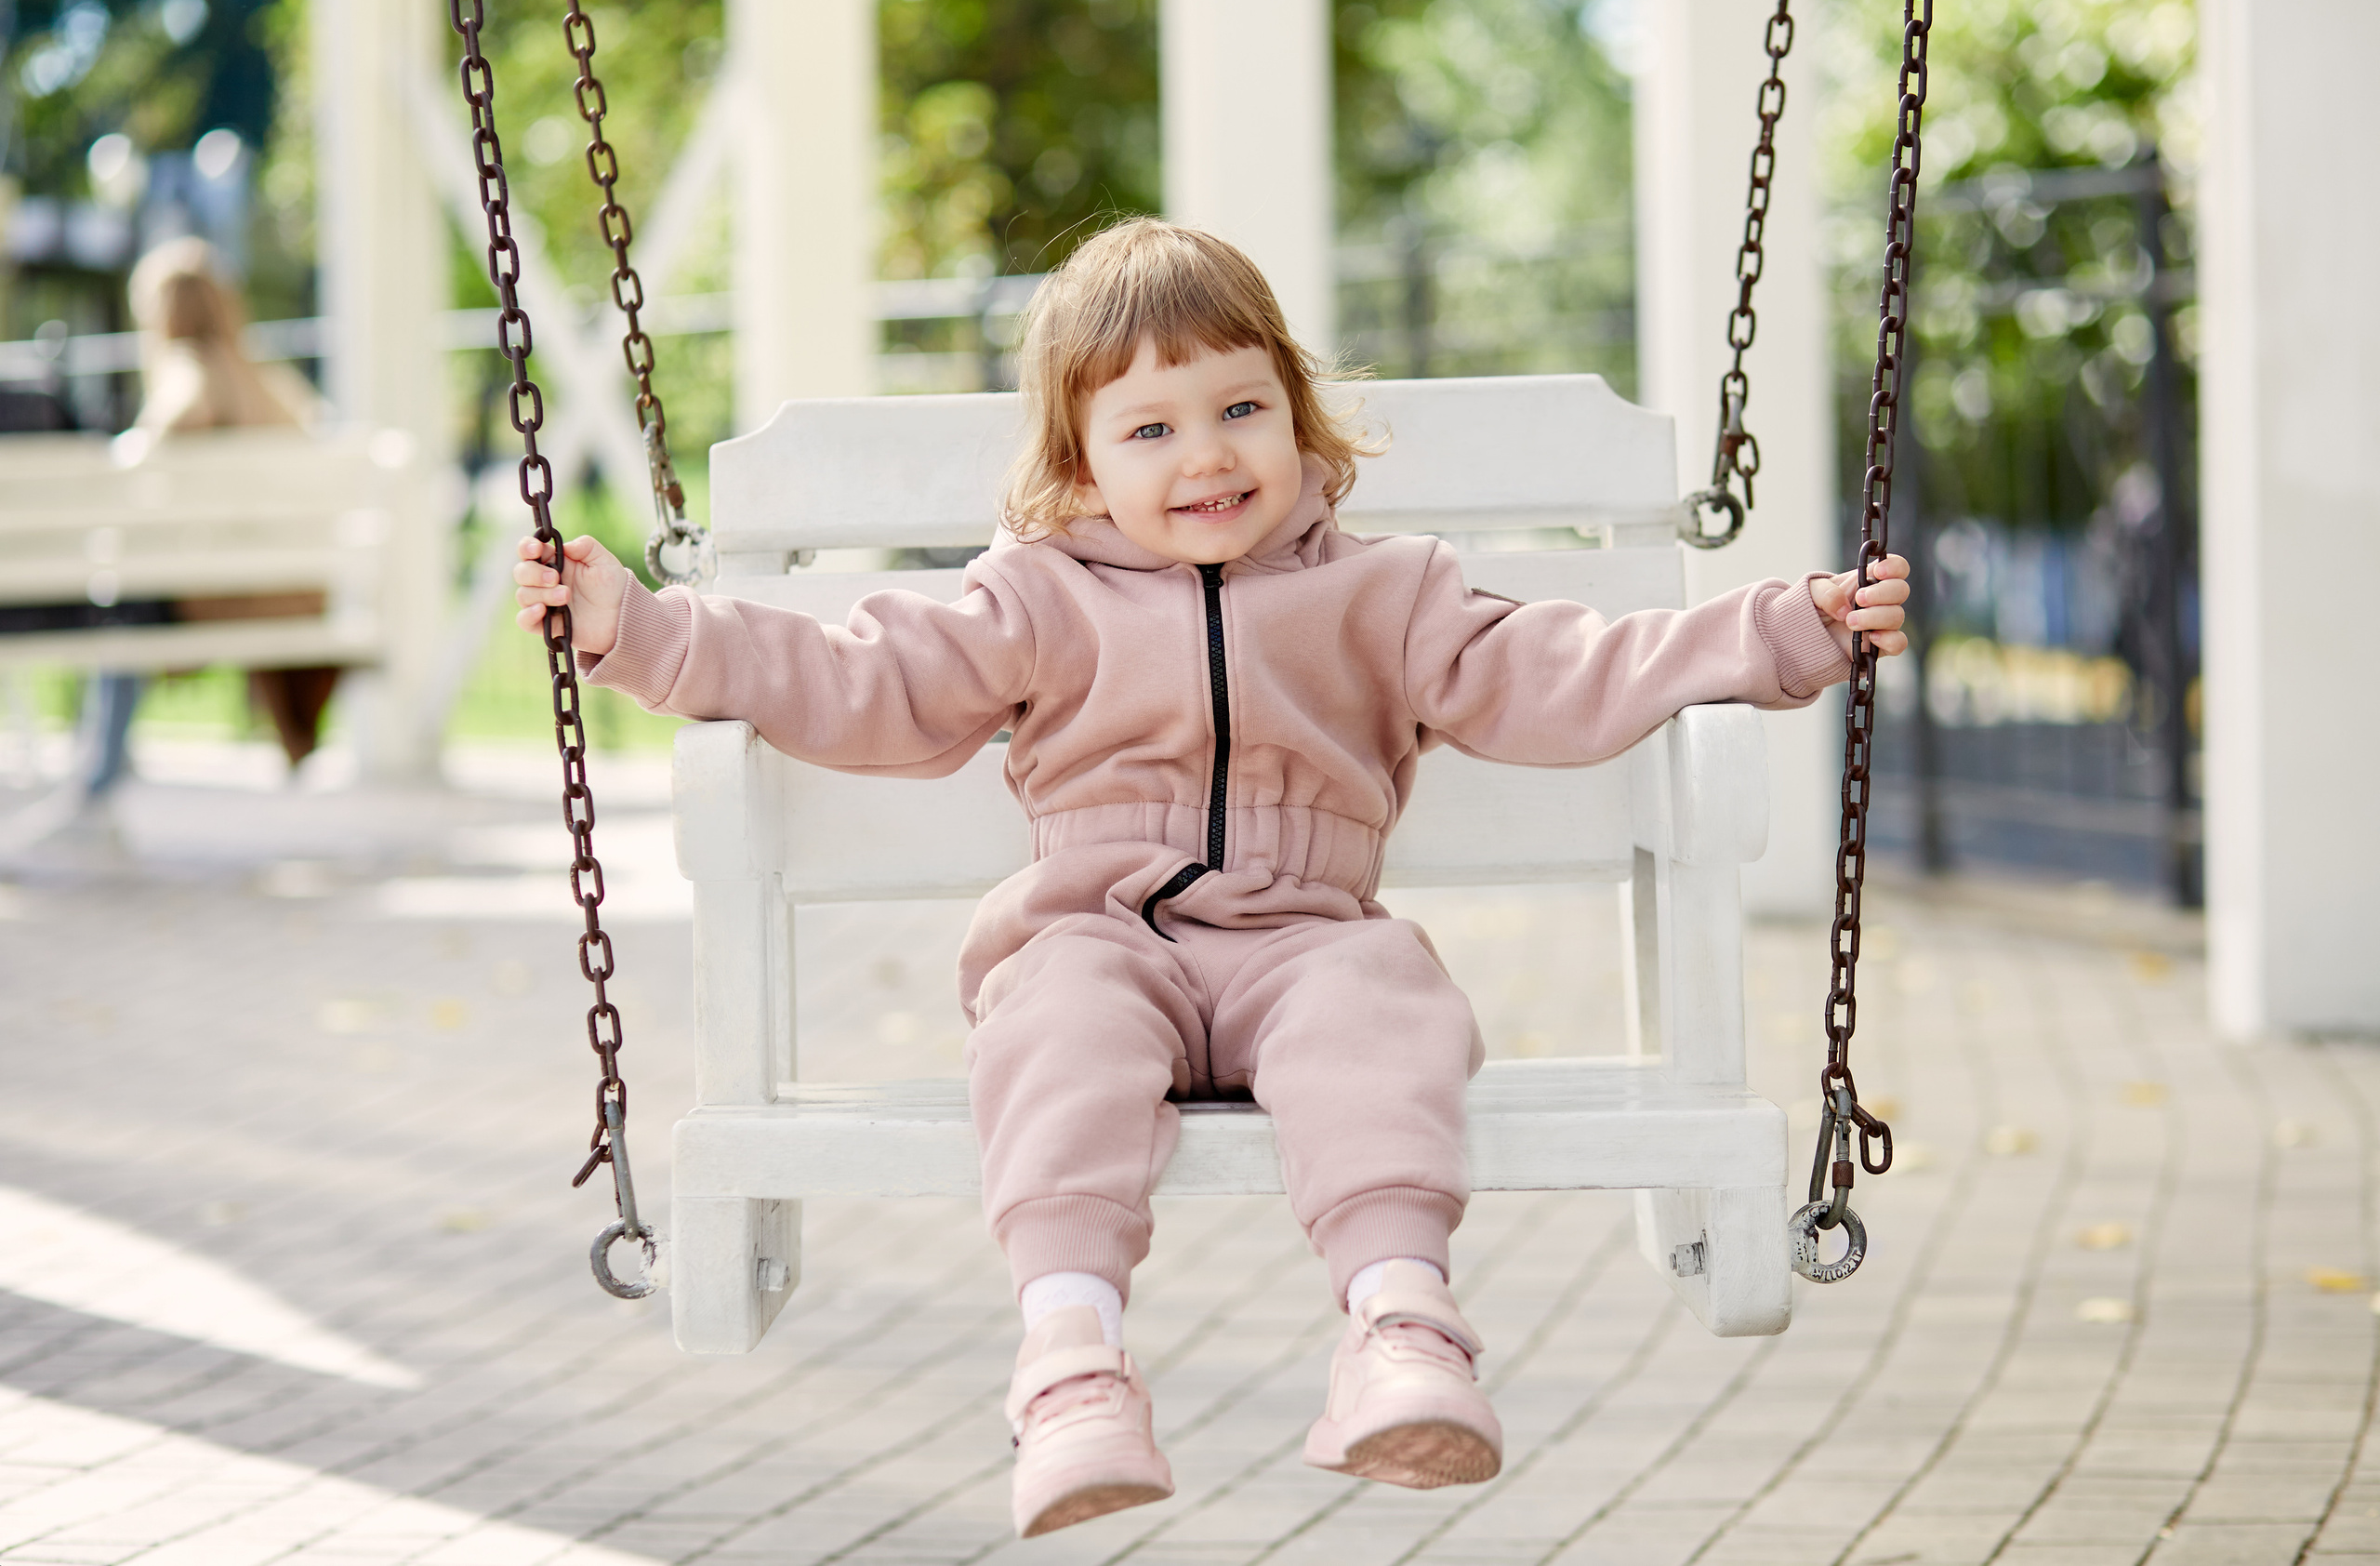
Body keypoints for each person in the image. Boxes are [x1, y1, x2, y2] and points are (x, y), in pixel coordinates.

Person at [512, 219, 1910, 1537]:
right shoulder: (1037, 594)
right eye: (1150, 428)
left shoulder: (1394, 590)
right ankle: (1069, 1363)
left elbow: (1569, 667)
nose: (1207, 455)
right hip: (1095, 930)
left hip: (1307, 934)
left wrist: (1782, 630)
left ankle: (1401, 1326)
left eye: (1243, 409)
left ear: (1301, 421)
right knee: (1052, 1027)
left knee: (1385, 996)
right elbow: (855, 675)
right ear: (1077, 469)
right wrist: (635, 627)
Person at [82, 238, 334, 803]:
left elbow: (169, 431)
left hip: (226, 594)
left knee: (121, 605)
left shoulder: (186, 373)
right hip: (295, 589)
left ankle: (99, 773)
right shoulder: (267, 380)